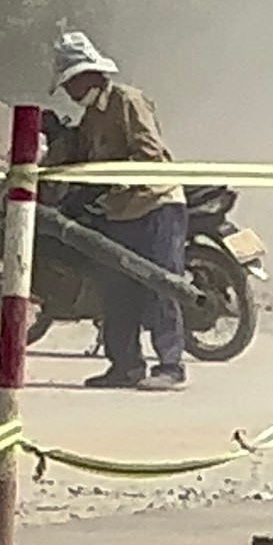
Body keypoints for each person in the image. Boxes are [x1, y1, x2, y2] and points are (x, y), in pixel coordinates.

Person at [43, 30, 187, 389]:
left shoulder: (128, 101)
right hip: (119, 212)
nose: (69, 94)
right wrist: (58, 137)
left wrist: (112, 187)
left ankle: (170, 365)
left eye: (69, 85)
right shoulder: (91, 117)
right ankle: (125, 365)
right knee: (116, 288)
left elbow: (148, 155)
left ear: (86, 76)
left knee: (159, 283)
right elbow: (78, 156)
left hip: (154, 204)